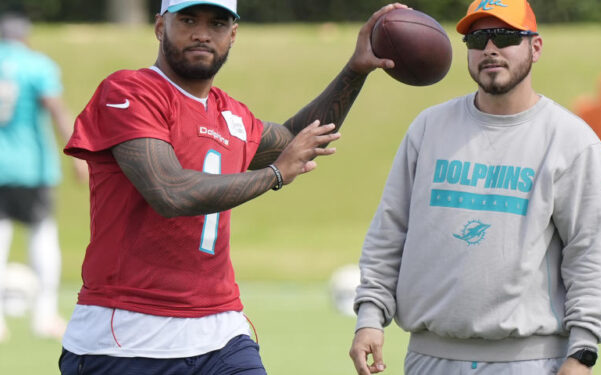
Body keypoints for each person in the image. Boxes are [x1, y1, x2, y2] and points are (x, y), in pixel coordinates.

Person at [58, 0, 406, 374]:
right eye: (188, 20)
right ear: (160, 26)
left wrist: (355, 70)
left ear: (233, 34)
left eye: (218, 23)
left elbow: (295, 140)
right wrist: (274, 175)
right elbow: (169, 191)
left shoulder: (231, 114)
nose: (203, 33)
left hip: (219, 330)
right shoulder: (129, 90)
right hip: (127, 332)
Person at [349, 1, 601, 375]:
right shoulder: (428, 128)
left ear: (535, 47)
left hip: (530, 362)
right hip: (428, 359)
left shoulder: (572, 142)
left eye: (505, 36)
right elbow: (389, 231)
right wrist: (370, 316)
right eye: (477, 39)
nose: (489, 48)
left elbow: (590, 255)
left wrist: (582, 352)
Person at [0, 10, 87, 344]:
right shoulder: (35, 64)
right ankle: (44, 314)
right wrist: (78, 155)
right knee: (42, 234)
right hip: (28, 163)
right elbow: (56, 108)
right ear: (25, 37)